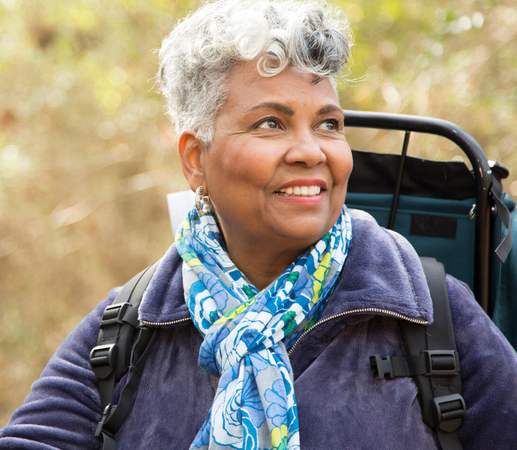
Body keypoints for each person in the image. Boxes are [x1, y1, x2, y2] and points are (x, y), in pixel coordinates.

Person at [1, 0, 517, 449]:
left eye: (328, 124)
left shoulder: (433, 314)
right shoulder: (128, 330)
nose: (311, 151)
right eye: (271, 123)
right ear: (195, 158)